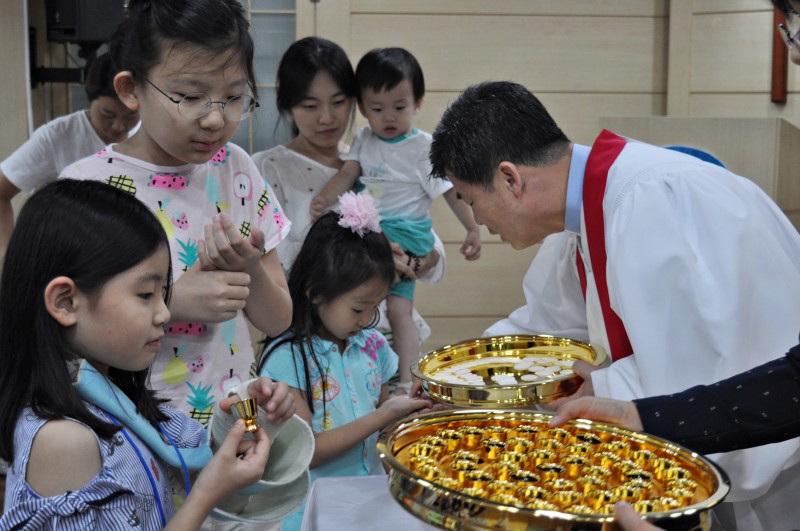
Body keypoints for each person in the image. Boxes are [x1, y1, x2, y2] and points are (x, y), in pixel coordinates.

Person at [428, 80, 800, 530]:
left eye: (470, 200)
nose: (478, 220)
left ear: (510, 179)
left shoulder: (654, 197)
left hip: (773, 467)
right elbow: (547, 331)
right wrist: (456, 385)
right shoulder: (582, 215)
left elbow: (710, 367)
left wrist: (600, 388)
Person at [0, 179, 297, 529]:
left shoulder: (111, 395)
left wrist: (249, 419)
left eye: (163, 293)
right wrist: (205, 495)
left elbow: (191, 450)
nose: (165, 314)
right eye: (145, 295)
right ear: (65, 302)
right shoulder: (63, 440)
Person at [59, 0, 292, 424]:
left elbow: (278, 320)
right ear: (131, 90)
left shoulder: (236, 169)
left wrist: (250, 270)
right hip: (131, 427)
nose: (214, 120)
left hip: (233, 419)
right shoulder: (86, 187)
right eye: (189, 97)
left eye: (234, 97)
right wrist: (170, 300)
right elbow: (62, 327)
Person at [251, 38, 446, 371]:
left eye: (339, 102)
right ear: (287, 104)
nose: (327, 117)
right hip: (310, 349)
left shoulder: (374, 157)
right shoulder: (265, 169)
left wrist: (414, 259)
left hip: (387, 339)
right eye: (310, 106)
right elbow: (275, 267)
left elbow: (432, 252)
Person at [258, 192, 435, 530]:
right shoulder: (287, 359)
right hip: (313, 512)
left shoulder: (373, 346)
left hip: (369, 503)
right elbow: (306, 452)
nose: (368, 318)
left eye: (376, 305)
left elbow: (387, 424)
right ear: (316, 291)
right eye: (358, 307)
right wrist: (383, 414)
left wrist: (413, 412)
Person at [310, 47, 481, 392]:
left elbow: (449, 191)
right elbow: (348, 172)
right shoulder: (363, 139)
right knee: (361, 301)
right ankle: (369, 377)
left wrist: (473, 226)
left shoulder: (423, 148)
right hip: (367, 233)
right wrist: (325, 199)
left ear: (417, 103)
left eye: (399, 108)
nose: (389, 117)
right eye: (377, 109)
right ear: (362, 108)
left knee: (398, 310)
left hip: (406, 236)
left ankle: (408, 378)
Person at [0, 52, 139, 255]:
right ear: (89, 100)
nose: (119, 126)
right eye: (106, 114)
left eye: (130, 116)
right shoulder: (57, 137)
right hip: (69, 253)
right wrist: (7, 257)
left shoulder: (149, 133)